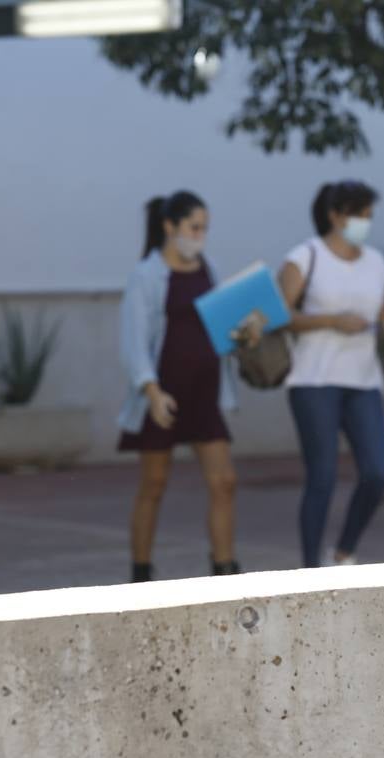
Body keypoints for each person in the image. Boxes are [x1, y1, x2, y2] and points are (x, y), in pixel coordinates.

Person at [277, 181, 384, 568]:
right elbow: (280, 316)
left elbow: (380, 317)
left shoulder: (377, 263)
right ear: (335, 215)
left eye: (369, 216)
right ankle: (309, 569)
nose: (364, 223)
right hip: (313, 380)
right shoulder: (304, 257)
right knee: (322, 476)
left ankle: (344, 550)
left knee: (378, 471)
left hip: (364, 379)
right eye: (357, 214)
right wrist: (332, 320)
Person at [117, 191, 241, 582]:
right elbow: (133, 340)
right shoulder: (147, 275)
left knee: (224, 481)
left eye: (204, 228)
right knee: (154, 482)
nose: (200, 236)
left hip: (206, 391)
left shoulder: (210, 269)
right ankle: (140, 573)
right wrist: (151, 391)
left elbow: (222, 328)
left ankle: (224, 568)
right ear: (170, 227)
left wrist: (245, 333)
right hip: (164, 394)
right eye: (193, 227)